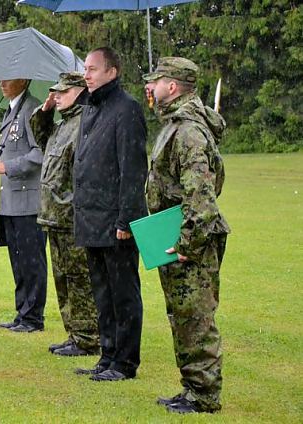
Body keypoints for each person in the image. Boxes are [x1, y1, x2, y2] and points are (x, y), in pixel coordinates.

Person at [143, 57, 230, 414]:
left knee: (195, 317)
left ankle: (205, 396)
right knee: (182, 315)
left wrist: (186, 244)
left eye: (157, 81)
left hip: (189, 241)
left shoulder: (189, 131)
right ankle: (192, 388)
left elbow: (202, 199)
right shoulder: (176, 125)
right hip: (173, 233)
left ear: (173, 86)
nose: (151, 87)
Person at [72, 47, 148, 381]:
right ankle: (107, 355)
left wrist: (126, 220)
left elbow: (133, 169)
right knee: (102, 293)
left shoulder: (127, 109)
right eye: (85, 69)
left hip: (117, 222)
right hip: (91, 218)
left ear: (112, 72)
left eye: (93, 69)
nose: (86, 75)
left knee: (123, 293)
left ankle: (125, 362)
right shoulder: (89, 109)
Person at [29, 72, 99, 356]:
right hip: (55, 216)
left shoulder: (84, 123)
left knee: (79, 278)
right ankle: (74, 333)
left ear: (80, 92)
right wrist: (44, 110)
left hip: (71, 217)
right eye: (55, 91)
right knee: (63, 278)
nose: (56, 96)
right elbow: (41, 137)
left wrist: (72, 205)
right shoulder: (62, 125)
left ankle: (87, 336)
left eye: (63, 92)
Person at [0, 79, 47, 333]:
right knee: (18, 259)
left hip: (28, 201)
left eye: (8, 78)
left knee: (31, 261)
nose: (2, 83)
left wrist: (8, 167)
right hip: (11, 201)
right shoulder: (12, 109)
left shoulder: (32, 109)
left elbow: (40, 152)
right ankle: (22, 313)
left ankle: (33, 317)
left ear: (23, 79)